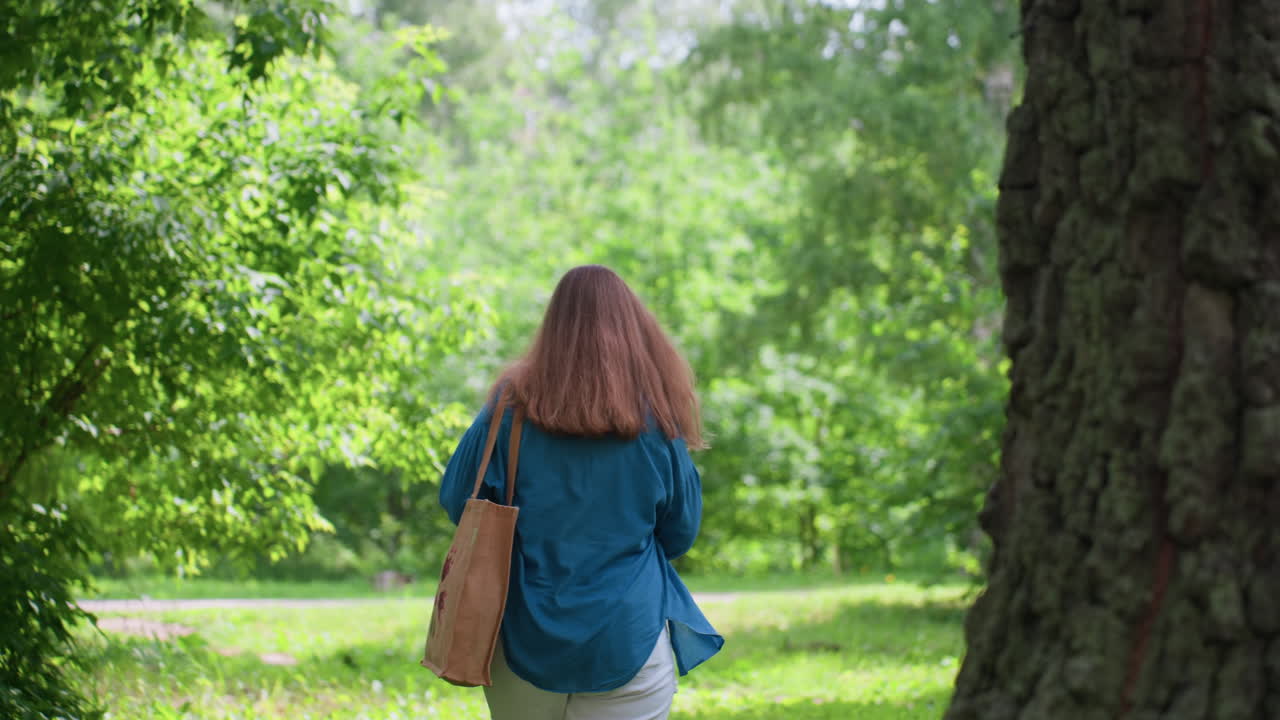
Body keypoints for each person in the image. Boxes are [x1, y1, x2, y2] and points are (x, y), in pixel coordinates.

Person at [438, 265, 723, 720]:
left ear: (553, 327)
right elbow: (681, 533)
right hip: (628, 635)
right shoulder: (658, 423)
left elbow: (458, 501)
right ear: (633, 330)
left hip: (519, 636)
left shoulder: (508, 411)